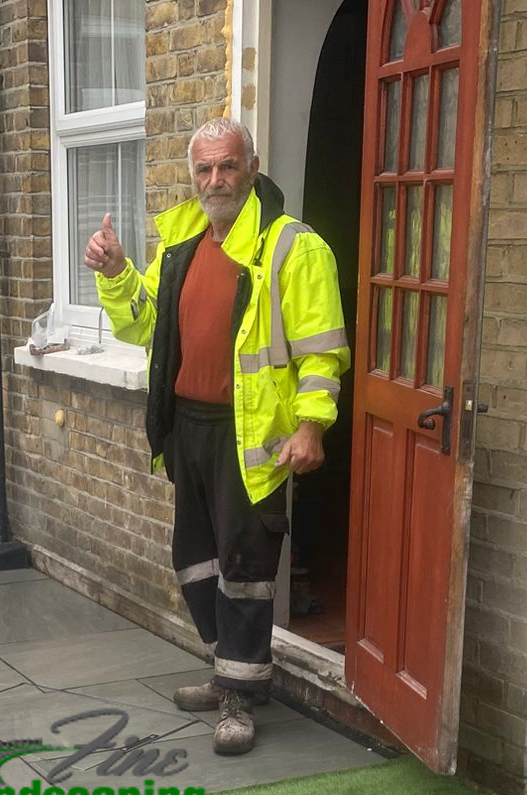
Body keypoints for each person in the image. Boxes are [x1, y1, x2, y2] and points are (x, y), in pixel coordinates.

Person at [86, 117, 349, 754]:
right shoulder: (180, 242)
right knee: (195, 562)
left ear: (252, 169)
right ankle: (228, 664)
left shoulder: (294, 247)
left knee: (245, 567)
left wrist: (312, 425)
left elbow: (322, 351)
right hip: (188, 429)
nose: (215, 179)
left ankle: (239, 697)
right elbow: (144, 326)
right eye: (204, 169)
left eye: (227, 165)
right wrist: (118, 272)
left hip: (252, 434)